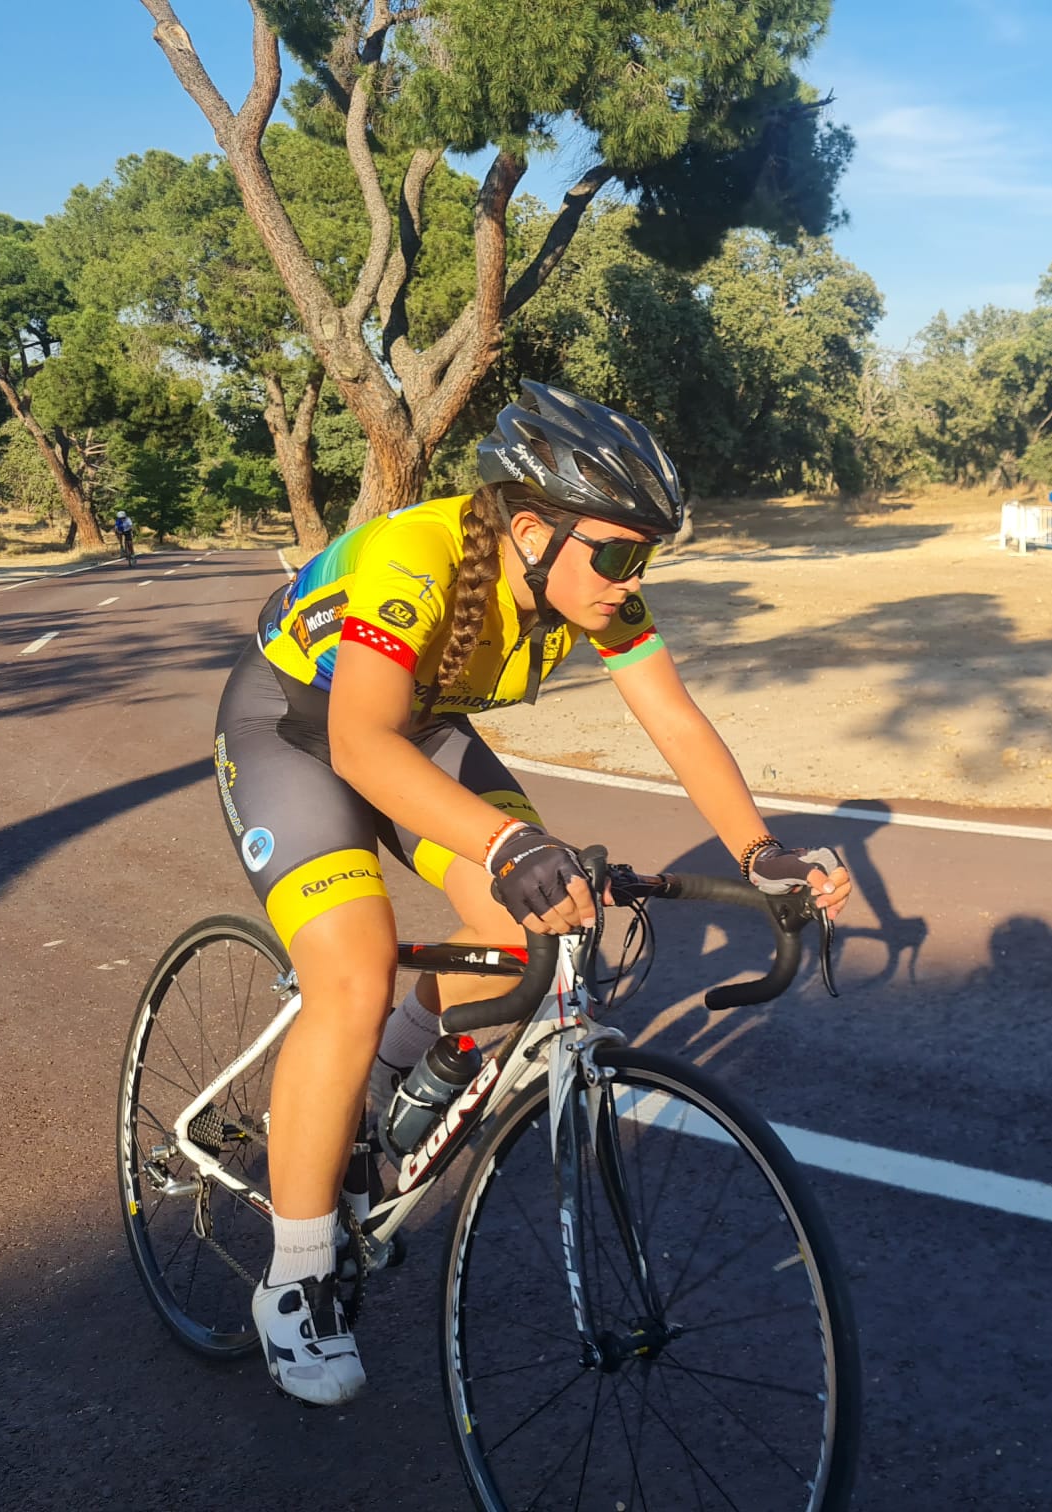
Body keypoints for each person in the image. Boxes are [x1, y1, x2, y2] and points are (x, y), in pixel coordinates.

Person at [211, 381, 853, 1405]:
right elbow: (358, 744)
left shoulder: (593, 588)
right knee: (354, 967)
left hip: (416, 732)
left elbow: (677, 722)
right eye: (617, 552)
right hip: (298, 732)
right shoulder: (409, 564)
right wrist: (509, 841)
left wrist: (761, 852)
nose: (630, 577)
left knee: (545, 924)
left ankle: (383, 1075)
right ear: (529, 529)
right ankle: (294, 1279)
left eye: (646, 555)